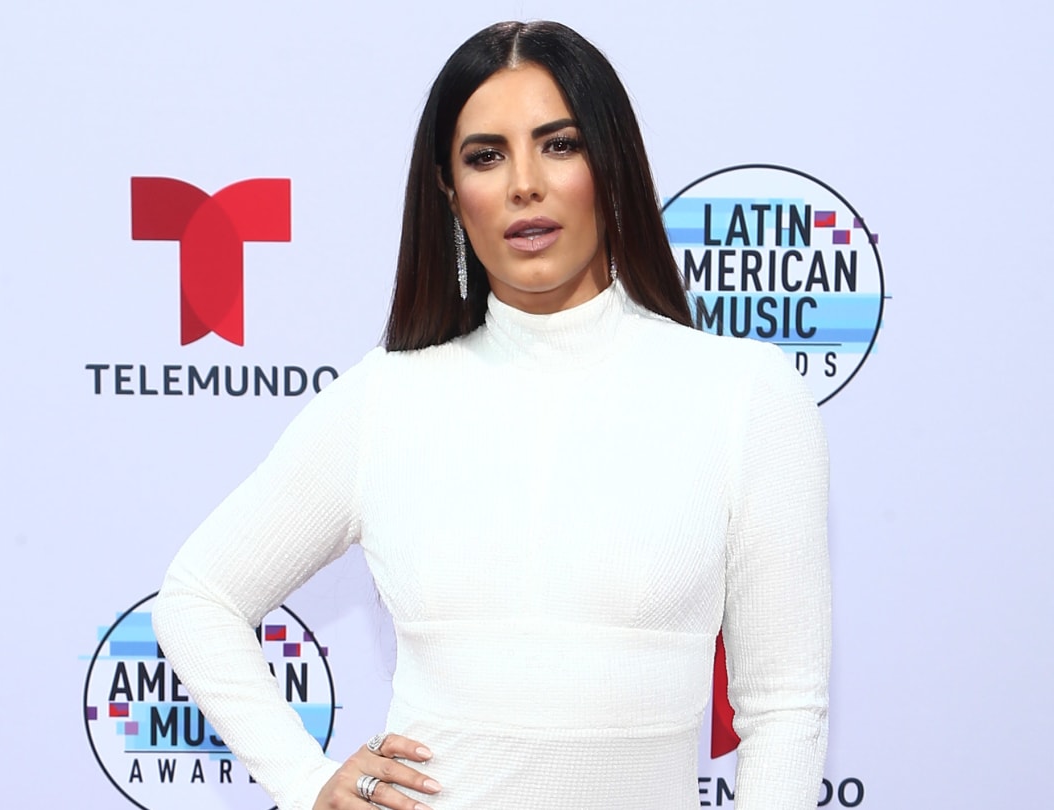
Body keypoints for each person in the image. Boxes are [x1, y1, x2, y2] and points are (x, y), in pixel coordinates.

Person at [152, 19, 830, 810]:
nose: (523, 185)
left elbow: (784, 705)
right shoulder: (387, 400)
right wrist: (305, 783)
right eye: (485, 156)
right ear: (450, 191)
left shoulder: (743, 395)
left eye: (560, 145)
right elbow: (198, 597)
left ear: (611, 163)